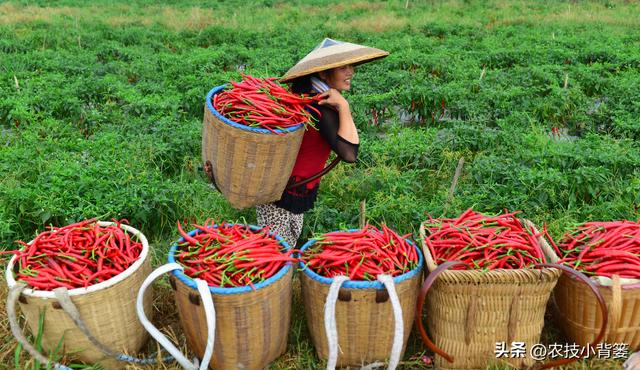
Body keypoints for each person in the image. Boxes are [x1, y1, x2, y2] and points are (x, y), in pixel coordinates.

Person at [255, 38, 389, 247]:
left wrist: (342, 105)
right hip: (279, 195)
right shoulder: (318, 106)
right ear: (323, 73)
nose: (350, 72)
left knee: (284, 252)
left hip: (289, 192)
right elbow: (349, 154)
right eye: (343, 67)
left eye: (351, 66)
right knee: (277, 258)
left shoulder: (315, 99)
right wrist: (343, 106)